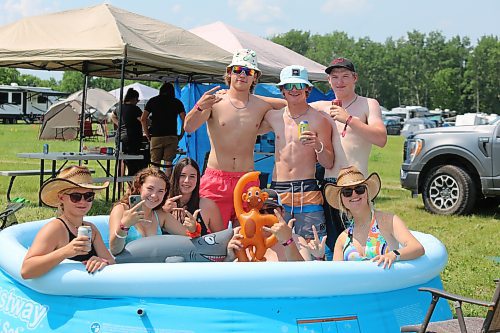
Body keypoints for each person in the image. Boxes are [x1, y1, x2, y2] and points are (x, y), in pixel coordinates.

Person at [184, 49, 286, 228]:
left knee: (248, 236)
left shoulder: (260, 105)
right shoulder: (214, 102)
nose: (243, 75)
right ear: (229, 73)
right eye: (238, 70)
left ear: (255, 78)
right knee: (212, 237)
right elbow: (189, 126)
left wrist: (248, 96)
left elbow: (288, 105)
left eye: (249, 72)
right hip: (216, 179)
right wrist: (199, 106)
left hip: (247, 181)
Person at [310, 57, 388, 258]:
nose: (340, 81)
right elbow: (288, 102)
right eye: (334, 77)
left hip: (357, 186)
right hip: (330, 185)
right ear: (329, 81)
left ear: (355, 78)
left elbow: (381, 138)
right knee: (335, 243)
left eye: (345, 76)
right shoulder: (322, 106)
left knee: (362, 242)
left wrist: (349, 119)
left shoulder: (367, 104)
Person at [259, 65, 333, 245]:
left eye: (299, 86)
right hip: (278, 190)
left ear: (308, 89)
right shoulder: (273, 117)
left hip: (306, 189)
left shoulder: (319, 120)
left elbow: (328, 162)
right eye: (289, 85)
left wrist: (318, 145)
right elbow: (250, 110)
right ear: (281, 90)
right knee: (275, 245)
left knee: (312, 245)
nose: (294, 90)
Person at [310, 166, 424, 268]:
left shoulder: (388, 221)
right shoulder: (343, 239)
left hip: (387, 289)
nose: (354, 194)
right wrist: (320, 257)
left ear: (367, 192)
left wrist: (394, 255)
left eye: (359, 189)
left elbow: (417, 247)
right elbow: (335, 277)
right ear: (342, 200)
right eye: (347, 192)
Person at [21, 166, 115, 279]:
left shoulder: (91, 229)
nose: (83, 202)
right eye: (76, 197)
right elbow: (26, 271)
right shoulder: (55, 229)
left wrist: (102, 261)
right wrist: (65, 252)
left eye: (88, 196)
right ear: (61, 198)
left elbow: (112, 263)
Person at [109, 167, 199, 256]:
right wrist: (125, 225)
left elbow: (189, 237)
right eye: (150, 189)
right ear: (139, 187)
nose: (154, 195)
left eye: (160, 191)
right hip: (126, 267)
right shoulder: (121, 210)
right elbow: (114, 250)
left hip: (153, 267)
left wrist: (193, 229)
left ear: (165, 192)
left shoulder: (160, 215)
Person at [226, 189, 310, 262]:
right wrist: (230, 258)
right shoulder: (242, 240)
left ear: (283, 212)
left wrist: (288, 241)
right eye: (261, 211)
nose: (266, 215)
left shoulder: (296, 240)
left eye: (271, 210)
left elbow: (305, 276)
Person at [164, 157, 224, 235]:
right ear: (175, 177)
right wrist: (163, 212)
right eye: (182, 175)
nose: (187, 180)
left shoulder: (208, 206)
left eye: (192, 176)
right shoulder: (162, 203)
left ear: (198, 179)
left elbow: (221, 239)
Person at [140, 82, 185, 176]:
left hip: (156, 136)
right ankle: (168, 186)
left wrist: (147, 134)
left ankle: (155, 184)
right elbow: (184, 118)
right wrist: (181, 133)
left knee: (155, 164)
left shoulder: (152, 101)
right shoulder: (177, 102)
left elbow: (143, 119)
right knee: (168, 164)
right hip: (171, 136)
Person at [111, 87, 147, 176]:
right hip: (132, 139)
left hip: (119, 137)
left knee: (121, 160)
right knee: (133, 162)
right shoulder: (135, 109)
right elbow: (143, 120)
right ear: (134, 99)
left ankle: (119, 183)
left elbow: (112, 116)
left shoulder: (119, 107)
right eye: (137, 100)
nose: (137, 102)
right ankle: (131, 183)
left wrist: (119, 124)